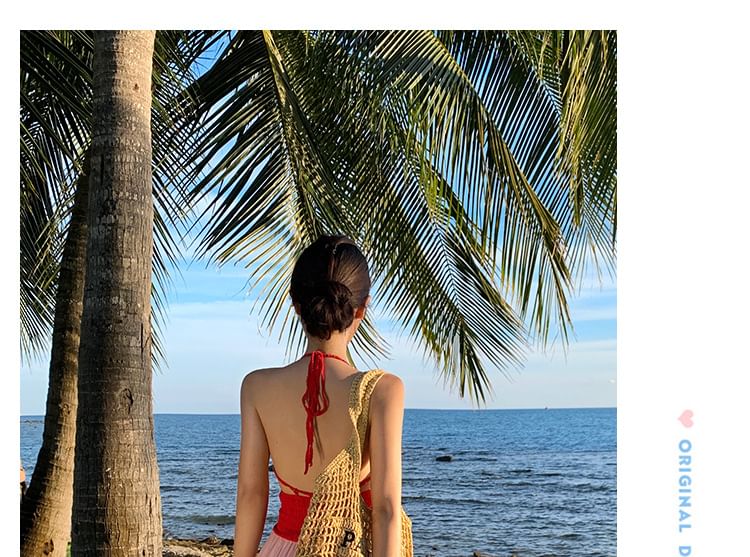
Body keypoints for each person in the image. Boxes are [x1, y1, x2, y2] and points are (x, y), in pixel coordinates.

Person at [234, 235, 407, 557]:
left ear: (296, 305)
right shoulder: (382, 390)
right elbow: (385, 509)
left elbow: (250, 494)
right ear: (362, 308)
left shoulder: (256, 386)